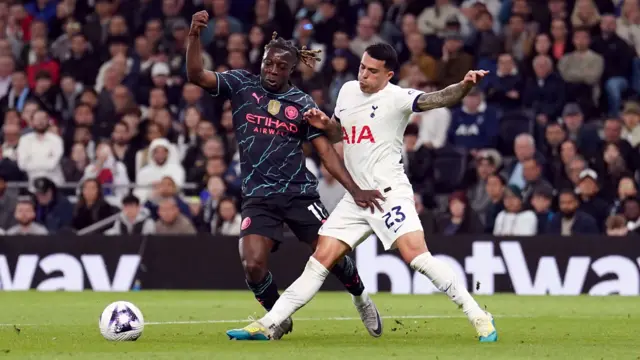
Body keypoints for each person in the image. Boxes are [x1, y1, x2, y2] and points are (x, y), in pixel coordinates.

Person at [226, 43, 497, 342]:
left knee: (417, 258)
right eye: (362, 67)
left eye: (372, 71)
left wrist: (464, 86)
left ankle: (478, 315)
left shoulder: (398, 98)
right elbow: (342, 135)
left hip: (387, 194)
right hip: (356, 198)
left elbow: (438, 99)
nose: (364, 74)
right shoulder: (347, 92)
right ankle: (269, 324)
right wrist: (325, 124)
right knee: (318, 263)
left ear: (388, 75)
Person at [187, 10, 385, 339]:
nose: (273, 71)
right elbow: (196, 74)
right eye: (269, 64)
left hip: (298, 194)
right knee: (252, 265)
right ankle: (277, 316)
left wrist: (355, 189)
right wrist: (194, 35)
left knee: (334, 255)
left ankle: (361, 297)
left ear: (292, 69)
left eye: (281, 66)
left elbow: (325, 153)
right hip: (258, 197)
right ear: (262, 60)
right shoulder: (240, 86)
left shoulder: (302, 103)